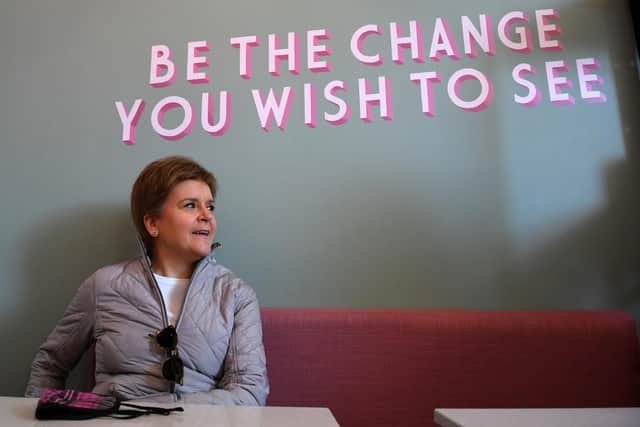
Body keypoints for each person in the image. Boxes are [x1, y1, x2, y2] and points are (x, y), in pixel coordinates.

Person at [25, 156, 269, 405]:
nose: (206, 216)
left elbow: (249, 390)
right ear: (153, 223)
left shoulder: (236, 294)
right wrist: (42, 415)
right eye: (190, 205)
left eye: (210, 206)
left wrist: (173, 415)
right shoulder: (104, 285)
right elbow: (50, 365)